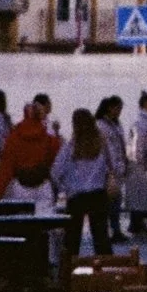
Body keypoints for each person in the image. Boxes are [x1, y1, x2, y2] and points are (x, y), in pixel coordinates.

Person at [54, 110, 114, 259]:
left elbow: (56, 171)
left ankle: (68, 274)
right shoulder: (102, 144)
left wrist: (64, 187)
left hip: (76, 196)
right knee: (101, 239)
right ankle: (107, 271)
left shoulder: (70, 147)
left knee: (72, 240)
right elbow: (112, 167)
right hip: (98, 194)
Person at [0, 100, 59, 205]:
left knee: (20, 219)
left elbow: (6, 169)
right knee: (45, 219)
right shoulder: (49, 139)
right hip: (43, 185)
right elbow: (57, 165)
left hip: (21, 186)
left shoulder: (14, 137)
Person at [123, 90, 147, 239]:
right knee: (141, 199)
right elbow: (138, 145)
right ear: (145, 104)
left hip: (146, 164)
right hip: (141, 166)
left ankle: (139, 227)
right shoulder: (141, 123)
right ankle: (137, 227)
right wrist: (143, 163)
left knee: (143, 199)